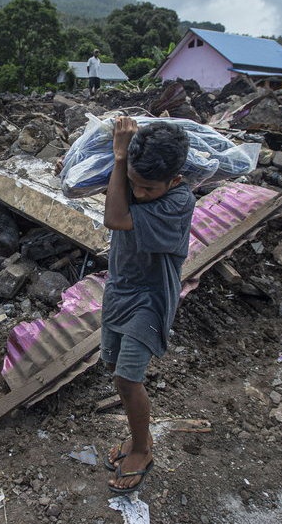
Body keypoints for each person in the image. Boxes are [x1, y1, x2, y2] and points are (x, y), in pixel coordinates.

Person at [101, 116, 195, 495]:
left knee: (128, 378)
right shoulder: (144, 185)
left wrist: (120, 158)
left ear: (173, 181)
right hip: (121, 290)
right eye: (135, 185)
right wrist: (121, 164)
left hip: (150, 300)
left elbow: (114, 216)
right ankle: (136, 436)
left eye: (149, 188)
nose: (139, 193)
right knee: (115, 370)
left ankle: (143, 447)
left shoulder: (178, 201)